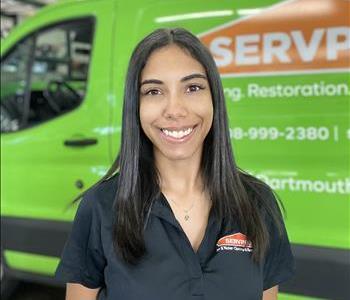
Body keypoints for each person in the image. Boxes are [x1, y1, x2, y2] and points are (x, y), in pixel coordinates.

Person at [55, 27, 295, 300]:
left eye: (192, 88)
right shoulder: (101, 206)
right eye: (154, 91)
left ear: (214, 98)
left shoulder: (258, 204)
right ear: (136, 106)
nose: (175, 110)